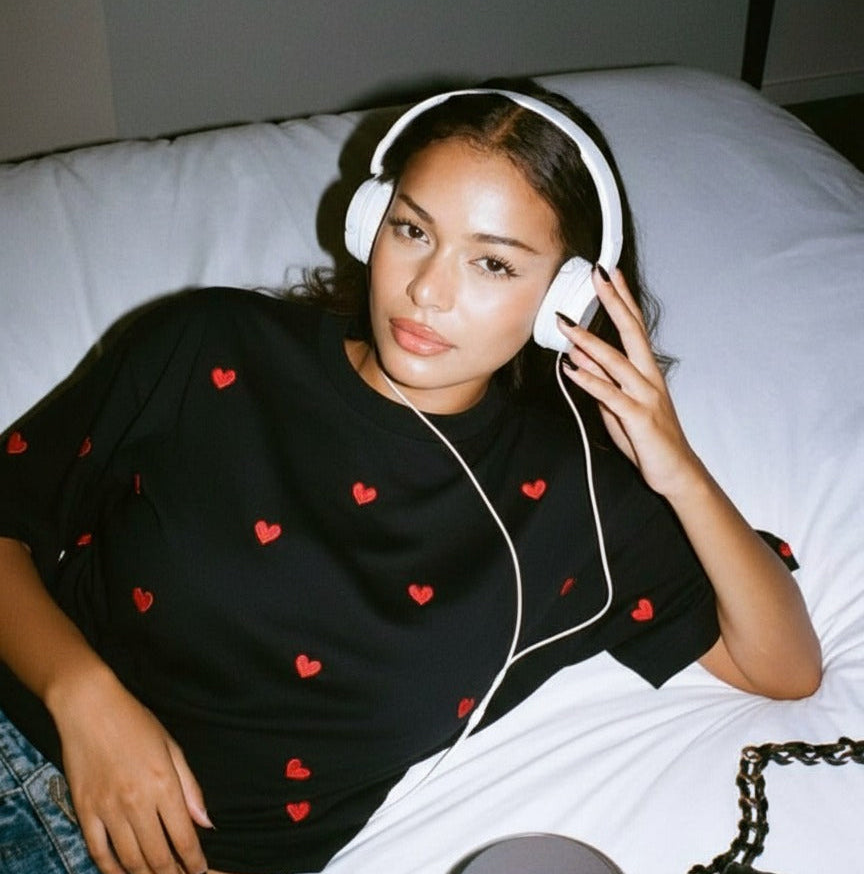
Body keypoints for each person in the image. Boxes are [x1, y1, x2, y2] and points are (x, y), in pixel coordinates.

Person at [0, 84, 822, 874]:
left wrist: (679, 470)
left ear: (563, 297)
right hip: (18, 742)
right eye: (413, 231)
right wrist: (86, 700)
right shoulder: (211, 345)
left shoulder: (573, 501)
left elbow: (783, 668)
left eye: (493, 265)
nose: (427, 291)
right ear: (370, 223)